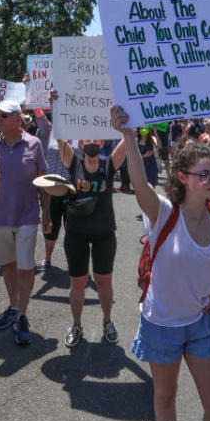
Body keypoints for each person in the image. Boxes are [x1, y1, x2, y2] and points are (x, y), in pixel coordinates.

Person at [113, 105, 210, 421]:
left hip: (202, 323)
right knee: (165, 396)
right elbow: (140, 184)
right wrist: (129, 135)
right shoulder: (162, 213)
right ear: (183, 178)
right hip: (162, 324)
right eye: (203, 175)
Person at [55, 116, 127, 347]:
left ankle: (107, 321)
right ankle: (76, 325)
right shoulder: (74, 162)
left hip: (104, 232)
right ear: (81, 143)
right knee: (78, 282)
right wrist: (57, 107)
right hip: (76, 232)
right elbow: (60, 136)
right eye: (87, 138)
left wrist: (130, 117)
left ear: (104, 141)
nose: (92, 140)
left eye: (97, 137)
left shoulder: (109, 164)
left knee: (104, 281)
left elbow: (128, 138)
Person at [0, 99, 50, 346]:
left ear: (17, 119)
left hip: (27, 216)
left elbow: (43, 183)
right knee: (8, 265)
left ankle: (22, 314)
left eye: (3, 115)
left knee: (26, 266)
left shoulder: (34, 144)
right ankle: (14, 307)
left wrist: (48, 213)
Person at [37, 94, 71, 271]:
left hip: (72, 188)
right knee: (50, 224)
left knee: (73, 228)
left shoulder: (80, 134)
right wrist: (31, 86)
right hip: (50, 188)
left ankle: (75, 263)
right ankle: (47, 259)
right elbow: (37, 111)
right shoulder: (48, 130)